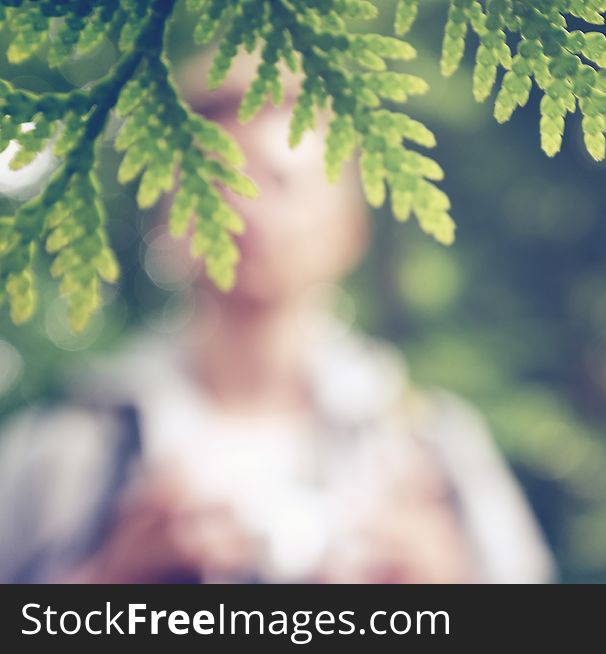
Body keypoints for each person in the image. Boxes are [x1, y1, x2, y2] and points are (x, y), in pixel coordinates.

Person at [0, 51, 554, 584]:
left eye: (283, 181)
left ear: (349, 228)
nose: (247, 206)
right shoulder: (69, 448)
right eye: (218, 179)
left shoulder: (431, 449)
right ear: (171, 216)